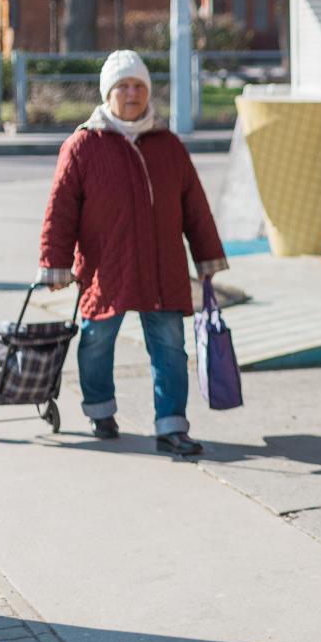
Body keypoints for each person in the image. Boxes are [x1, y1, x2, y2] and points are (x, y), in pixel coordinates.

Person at [38, 50, 227, 456]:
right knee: (95, 342)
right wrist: (54, 264)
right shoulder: (83, 145)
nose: (131, 93)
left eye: (138, 86)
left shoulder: (168, 145)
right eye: (122, 86)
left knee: (170, 348)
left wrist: (207, 258)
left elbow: (195, 206)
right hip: (108, 269)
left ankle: (172, 425)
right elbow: (61, 209)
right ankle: (100, 410)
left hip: (163, 269)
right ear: (107, 93)